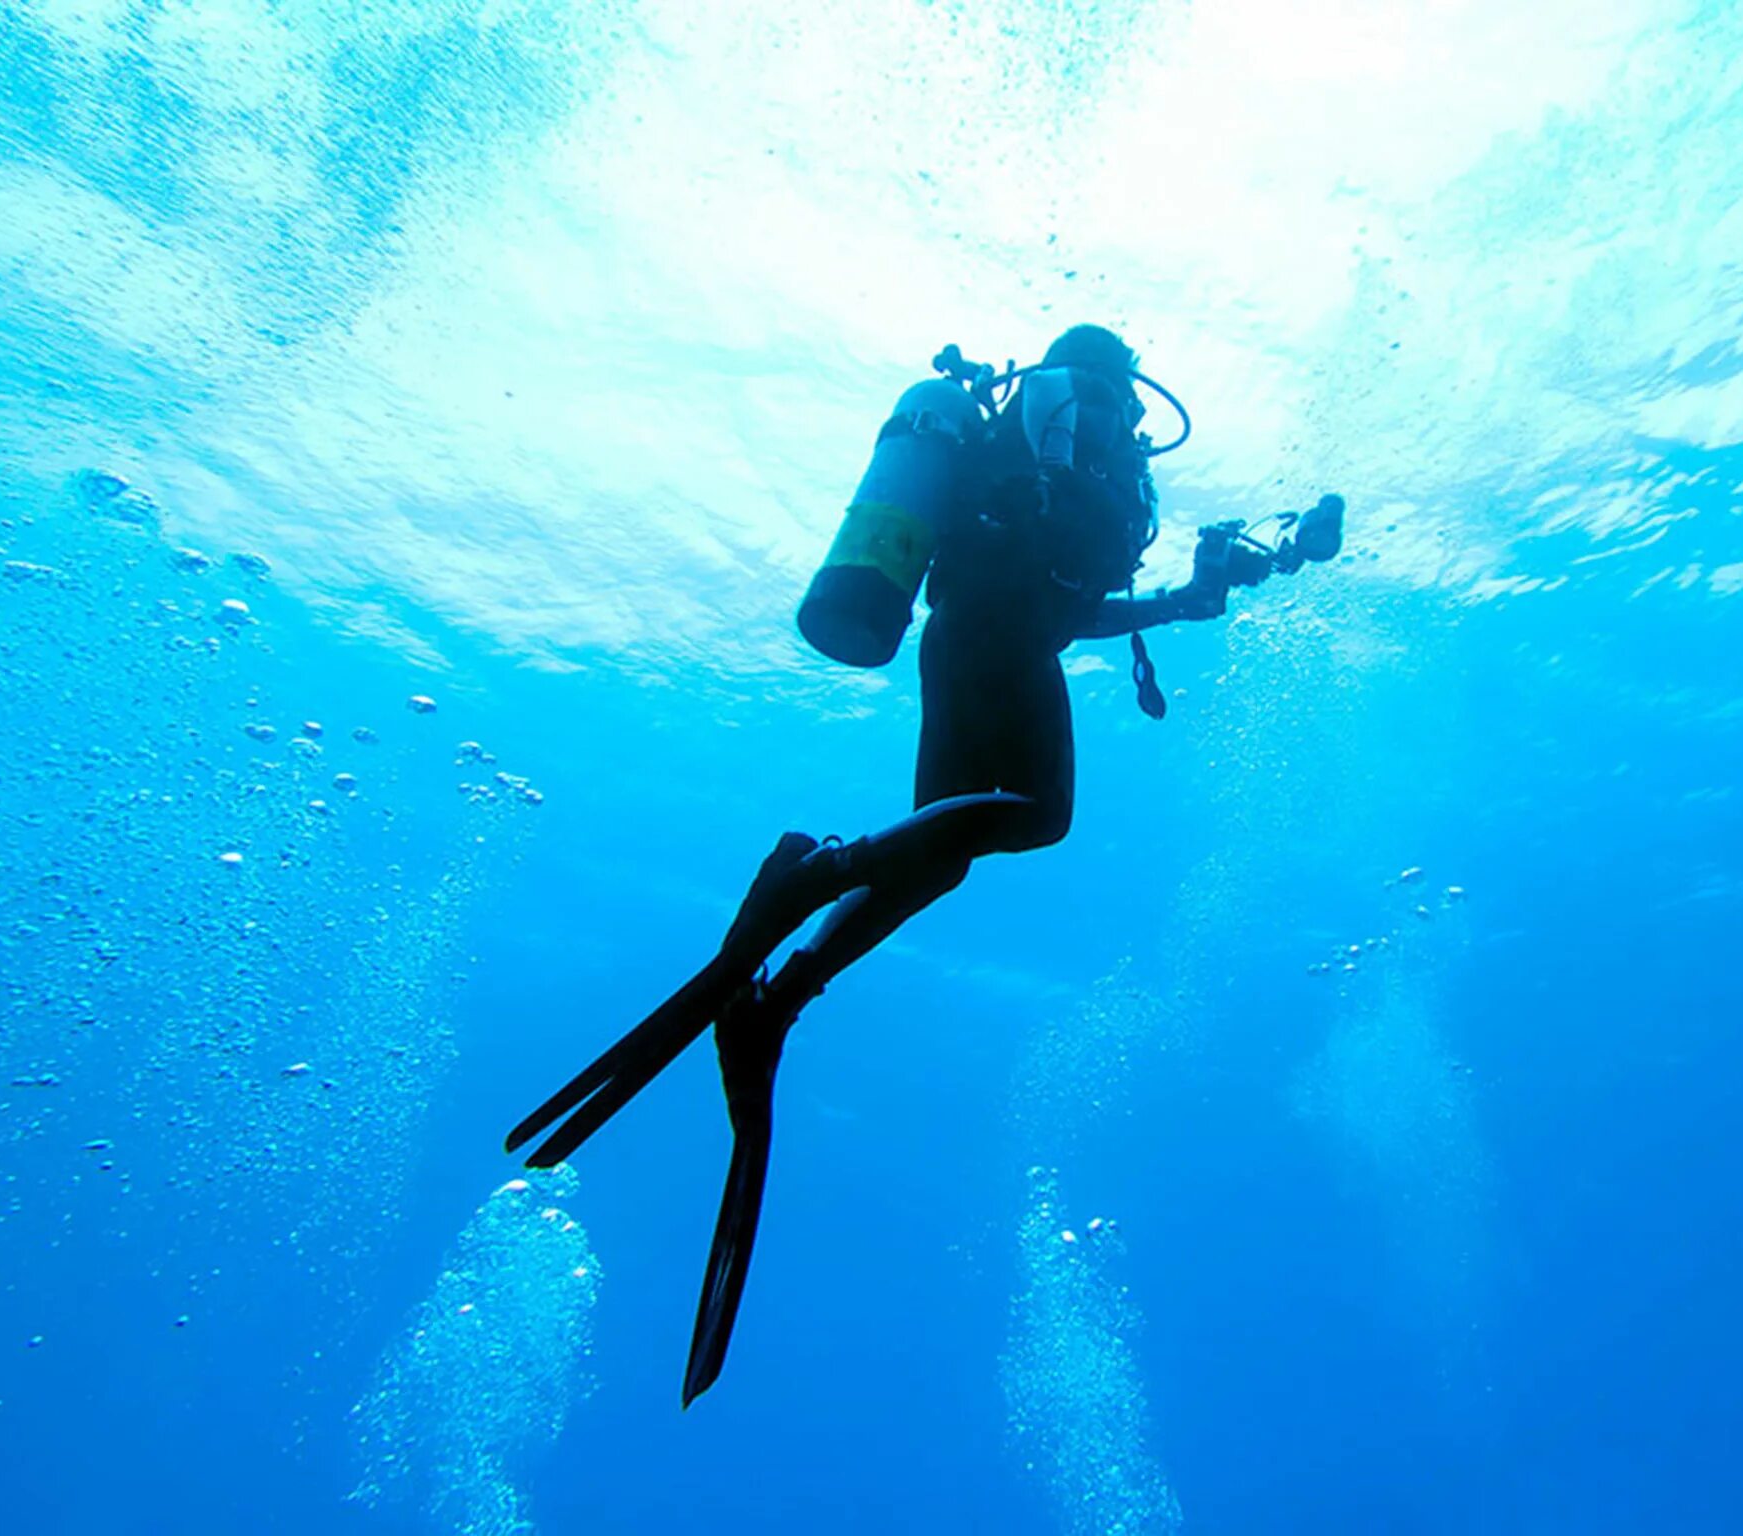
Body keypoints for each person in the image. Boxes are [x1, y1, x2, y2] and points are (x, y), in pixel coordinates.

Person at [507, 325, 1343, 1404]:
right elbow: (1047, 591)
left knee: (942, 851)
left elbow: (1059, 597)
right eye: (1130, 399)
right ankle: (806, 886)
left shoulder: (1044, 447)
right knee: (1034, 818)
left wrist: (1182, 600)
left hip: (975, 633)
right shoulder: (1074, 431)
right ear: (1115, 381)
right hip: (997, 635)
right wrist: (1152, 578)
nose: (1136, 418)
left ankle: (781, 994)